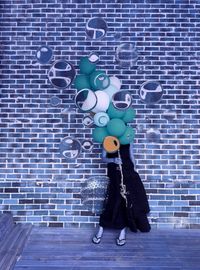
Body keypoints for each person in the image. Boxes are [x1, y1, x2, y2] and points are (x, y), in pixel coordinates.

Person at [92, 143, 151, 246]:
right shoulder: (107, 139)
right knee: (111, 200)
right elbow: (103, 158)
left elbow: (131, 155)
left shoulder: (127, 137)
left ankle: (122, 231)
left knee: (126, 201)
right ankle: (100, 229)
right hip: (114, 172)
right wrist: (113, 160)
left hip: (128, 171)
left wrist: (134, 170)